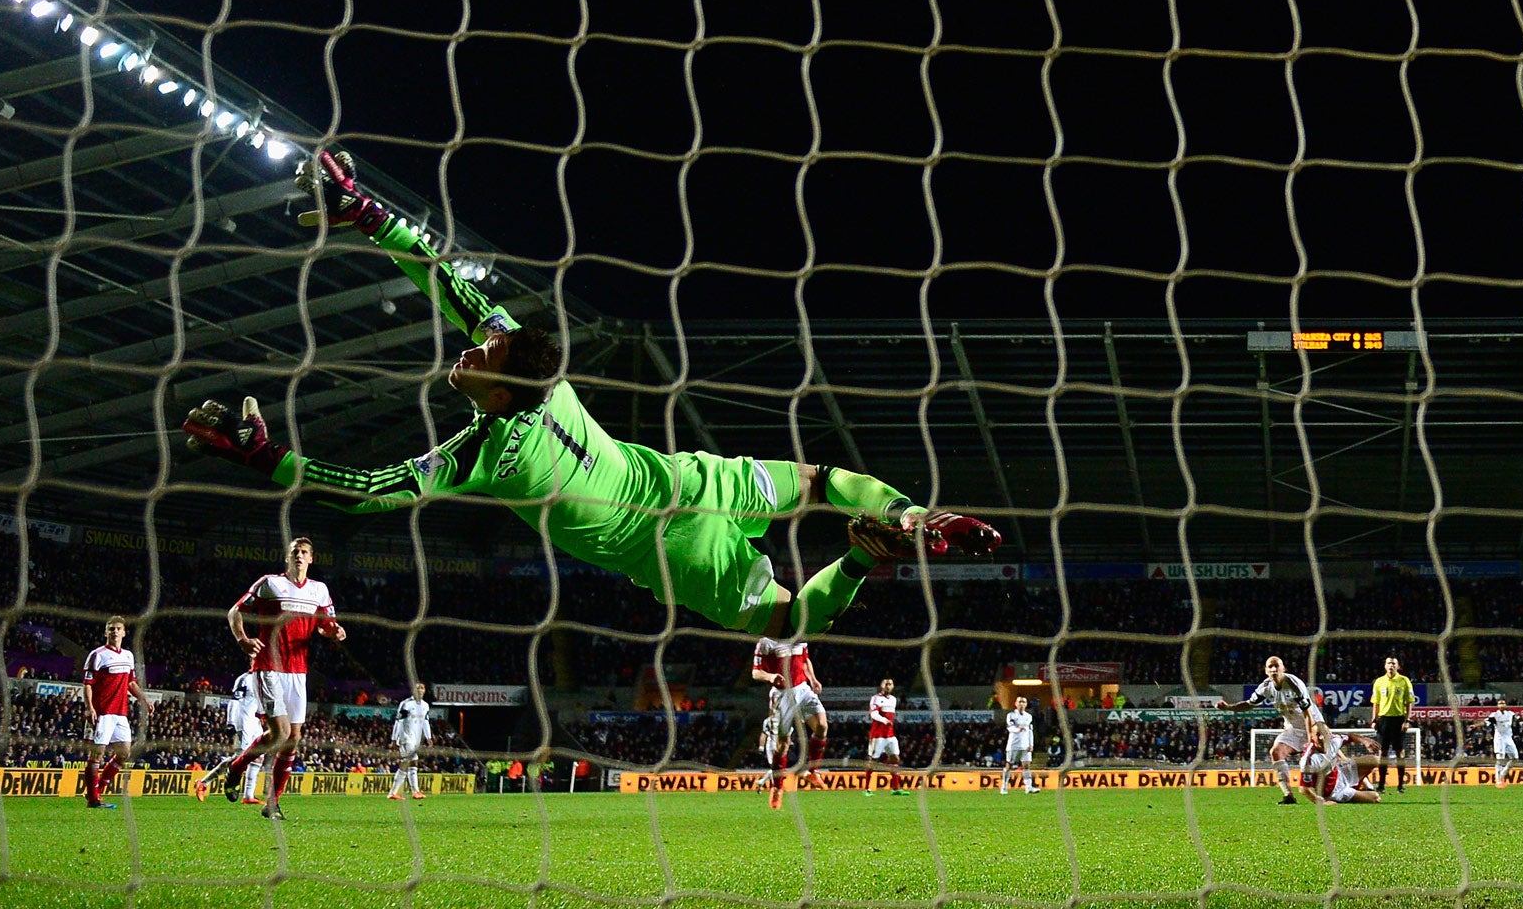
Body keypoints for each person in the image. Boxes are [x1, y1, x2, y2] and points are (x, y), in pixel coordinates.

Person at [183, 152, 999, 642]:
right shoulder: (535, 380)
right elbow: (449, 284)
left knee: (786, 622)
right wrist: (367, 215)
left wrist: (267, 457)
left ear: (503, 383)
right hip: (691, 482)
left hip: (675, 547)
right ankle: (905, 523)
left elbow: (369, 492)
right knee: (819, 485)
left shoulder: (488, 454)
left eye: (484, 350)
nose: (472, 346)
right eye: (484, 344)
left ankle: (868, 553)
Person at [214, 536, 346, 820]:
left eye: (304, 552)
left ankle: (260, 790)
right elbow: (235, 611)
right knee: (282, 733)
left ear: (311, 558)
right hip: (268, 666)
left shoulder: (319, 591)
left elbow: (326, 627)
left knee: (291, 737)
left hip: (298, 672)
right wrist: (242, 640)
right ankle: (242, 773)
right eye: (294, 551)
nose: (299, 555)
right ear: (287, 557)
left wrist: (335, 632)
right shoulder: (269, 583)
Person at [1215, 654, 1320, 804]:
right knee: (1276, 752)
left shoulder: (1294, 684)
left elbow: (1308, 713)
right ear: (1265, 670)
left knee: (1330, 759)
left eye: (1277, 665)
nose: (1273, 669)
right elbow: (1249, 704)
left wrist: (1312, 737)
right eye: (1270, 666)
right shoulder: (1265, 687)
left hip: (1314, 724)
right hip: (1293, 728)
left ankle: (1359, 784)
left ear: (1284, 668)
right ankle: (1288, 795)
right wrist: (1228, 708)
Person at [80, 617, 143, 810]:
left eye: (118, 629)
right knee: (96, 755)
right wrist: (90, 707)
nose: (114, 632)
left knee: (124, 753)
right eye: (111, 629)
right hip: (102, 712)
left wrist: (144, 699)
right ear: (106, 632)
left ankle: (99, 786)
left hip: (120, 713)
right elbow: (87, 684)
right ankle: (93, 799)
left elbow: (131, 683)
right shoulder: (97, 655)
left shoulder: (128, 656)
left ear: (124, 632)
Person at [753, 635, 825, 779]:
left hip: (803, 689)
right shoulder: (765, 642)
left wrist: (813, 679)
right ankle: (777, 787)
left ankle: (813, 771)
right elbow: (756, 673)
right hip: (782, 693)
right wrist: (770, 677)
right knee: (783, 744)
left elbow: (805, 660)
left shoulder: (800, 637)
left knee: (822, 726)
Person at [196, 672, 264, 802]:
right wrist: (231, 722)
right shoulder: (245, 679)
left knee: (259, 756)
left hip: (255, 722)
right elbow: (234, 700)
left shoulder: (265, 678)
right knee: (240, 758)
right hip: (243, 722)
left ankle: (249, 796)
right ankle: (203, 783)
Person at [1301, 720, 1382, 804]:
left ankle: (1360, 787)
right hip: (1334, 792)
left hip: (1341, 773)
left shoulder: (1334, 740)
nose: (1322, 737)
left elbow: (1351, 737)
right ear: (1312, 736)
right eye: (1318, 734)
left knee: (1375, 760)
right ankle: (1356, 791)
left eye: (1324, 733)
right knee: (1375, 797)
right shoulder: (1309, 758)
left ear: (1329, 733)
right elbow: (1304, 789)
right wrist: (1322, 802)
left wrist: (1365, 741)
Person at [1370, 655, 1414, 791]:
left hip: (1399, 719)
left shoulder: (1404, 681)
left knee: (1399, 752)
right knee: (1382, 753)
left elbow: (1409, 702)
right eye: (1389, 663)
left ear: (1398, 666)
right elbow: (1375, 703)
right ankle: (1381, 785)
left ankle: (1401, 784)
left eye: (1394, 663)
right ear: (1385, 666)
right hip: (1383, 720)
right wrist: (1374, 720)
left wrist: (1407, 720)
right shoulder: (1379, 682)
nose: (1391, 666)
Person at [388, 682, 433, 800]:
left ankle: (393, 793)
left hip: (415, 740)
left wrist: (429, 737)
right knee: (413, 761)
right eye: (417, 688)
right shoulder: (406, 704)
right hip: (405, 737)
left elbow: (425, 722)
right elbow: (399, 721)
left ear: (424, 691)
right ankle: (415, 791)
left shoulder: (425, 706)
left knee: (407, 764)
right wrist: (393, 739)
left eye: (422, 688)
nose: (420, 690)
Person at [866, 678, 904, 789]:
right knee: (873, 760)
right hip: (878, 735)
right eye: (886, 684)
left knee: (895, 758)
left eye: (890, 684)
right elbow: (873, 714)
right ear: (882, 686)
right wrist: (884, 720)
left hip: (890, 735)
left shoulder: (893, 699)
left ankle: (896, 788)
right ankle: (867, 788)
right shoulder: (876, 698)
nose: (888, 686)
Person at [759, 686, 789, 810]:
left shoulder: (785, 720)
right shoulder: (768, 721)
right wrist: (761, 747)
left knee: (778, 769)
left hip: (780, 746)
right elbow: (764, 734)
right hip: (771, 746)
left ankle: (767, 784)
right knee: (775, 768)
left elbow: (788, 737)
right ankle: (763, 783)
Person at [1001, 695, 1036, 794]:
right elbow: (1009, 727)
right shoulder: (1011, 715)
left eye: (1023, 702)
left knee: (1027, 765)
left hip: (1025, 745)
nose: (1021, 704)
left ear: (1026, 704)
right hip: (1014, 745)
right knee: (1009, 765)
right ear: (1016, 704)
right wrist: (1018, 729)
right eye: (1019, 702)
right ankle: (1004, 786)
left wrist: (1031, 744)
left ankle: (1028, 787)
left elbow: (1030, 731)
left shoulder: (1028, 717)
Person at [1486, 694, 1519, 787]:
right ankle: (1498, 780)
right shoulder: (1494, 715)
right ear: (1497, 706)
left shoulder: (1510, 714)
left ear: (1506, 705)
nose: (1501, 705)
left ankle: (1503, 773)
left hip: (1509, 738)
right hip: (1500, 739)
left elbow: (1518, 718)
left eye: (1503, 703)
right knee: (1500, 759)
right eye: (1500, 703)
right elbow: (1486, 722)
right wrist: (1475, 725)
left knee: (1515, 758)